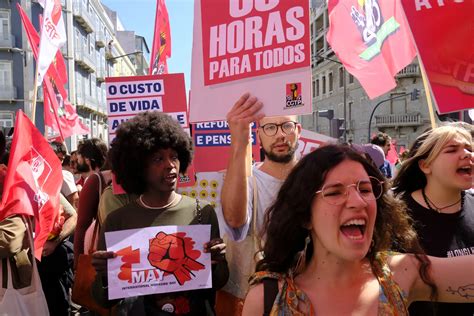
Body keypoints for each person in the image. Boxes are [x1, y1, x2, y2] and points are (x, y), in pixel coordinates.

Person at [243, 144, 474, 315]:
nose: (358, 202)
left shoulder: (399, 274)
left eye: (365, 190)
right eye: (334, 192)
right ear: (305, 217)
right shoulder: (267, 300)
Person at [91, 111, 228, 315]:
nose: (170, 165)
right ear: (138, 166)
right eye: (158, 159)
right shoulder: (117, 221)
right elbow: (104, 300)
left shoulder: (202, 212)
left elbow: (218, 281)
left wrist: (216, 262)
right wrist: (104, 275)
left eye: (174, 156)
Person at [219, 93, 301, 304]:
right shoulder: (244, 179)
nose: (280, 135)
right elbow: (235, 222)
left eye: (287, 126)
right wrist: (239, 142)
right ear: (259, 135)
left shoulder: (314, 179)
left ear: (298, 130)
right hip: (252, 297)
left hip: (304, 295)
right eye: (270, 128)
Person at [392, 125, 474, 315]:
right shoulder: (396, 215)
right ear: (425, 165)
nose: (467, 154)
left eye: (469, 148)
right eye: (452, 150)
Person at [73, 138, 109, 268]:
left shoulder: (95, 181)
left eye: (79, 158)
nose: (77, 162)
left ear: (87, 159)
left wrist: (78, 264)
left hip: (98, 253)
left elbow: (82, 226)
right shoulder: (112, 178)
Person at [51, 141, 79, 209]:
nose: (60, 162)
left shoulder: (64, 175)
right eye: (57, 158)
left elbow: (75, 203)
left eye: (62, 159)